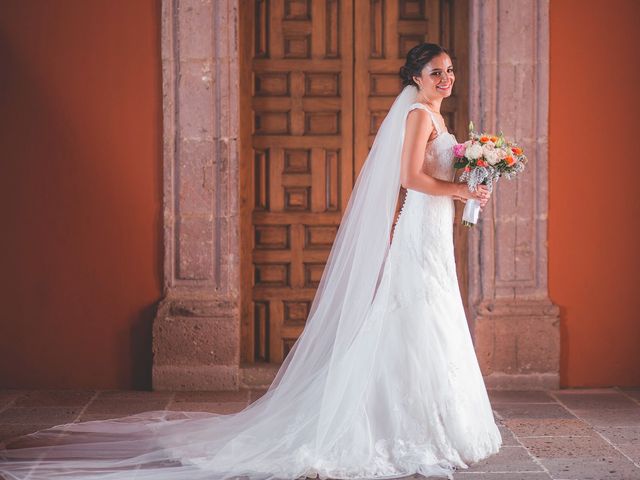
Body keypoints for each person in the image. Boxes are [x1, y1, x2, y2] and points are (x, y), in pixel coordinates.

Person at [0, 42, 501, 480]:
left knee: (430, 314)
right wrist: (461, 187)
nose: (446, 78)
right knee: (412, 312)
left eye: (450, 70)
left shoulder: (438, 117)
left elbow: (436, 174)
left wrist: (471, 186)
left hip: (434, 229)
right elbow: (408, 178)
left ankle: (433, 420)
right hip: (419, 227)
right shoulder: (417, 115)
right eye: (437, 71)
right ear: (416, 76)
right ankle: (393, 423)